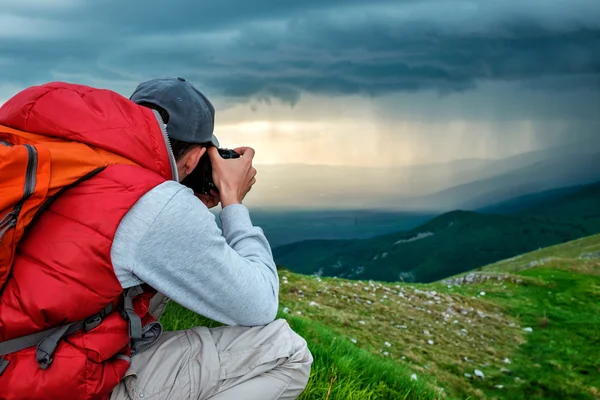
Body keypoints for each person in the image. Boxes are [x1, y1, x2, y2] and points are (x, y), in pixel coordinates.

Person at [0, 78, 312, 400]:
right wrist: (232, 200)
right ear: (193, 159)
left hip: (17, 361)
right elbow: (258, 304)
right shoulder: (153, 204)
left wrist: (189, 203)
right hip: (46, 382)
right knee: (287, 352)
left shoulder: (77, 162)